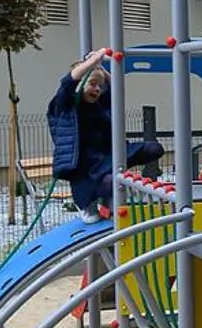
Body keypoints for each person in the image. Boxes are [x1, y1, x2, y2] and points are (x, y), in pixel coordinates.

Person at [48, 48, 166, 221]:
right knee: (111, 183)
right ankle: (87, 203)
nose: (97, 89)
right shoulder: (65, 105)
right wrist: (92, 61)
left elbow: (116, 88)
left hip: (108, 155)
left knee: (154, 149)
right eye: (92, 84)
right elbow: (67, 82)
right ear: (80, 84)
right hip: (84, 165)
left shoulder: (100, 103)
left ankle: (106, 192)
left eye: (99, 86)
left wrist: (101, 68)